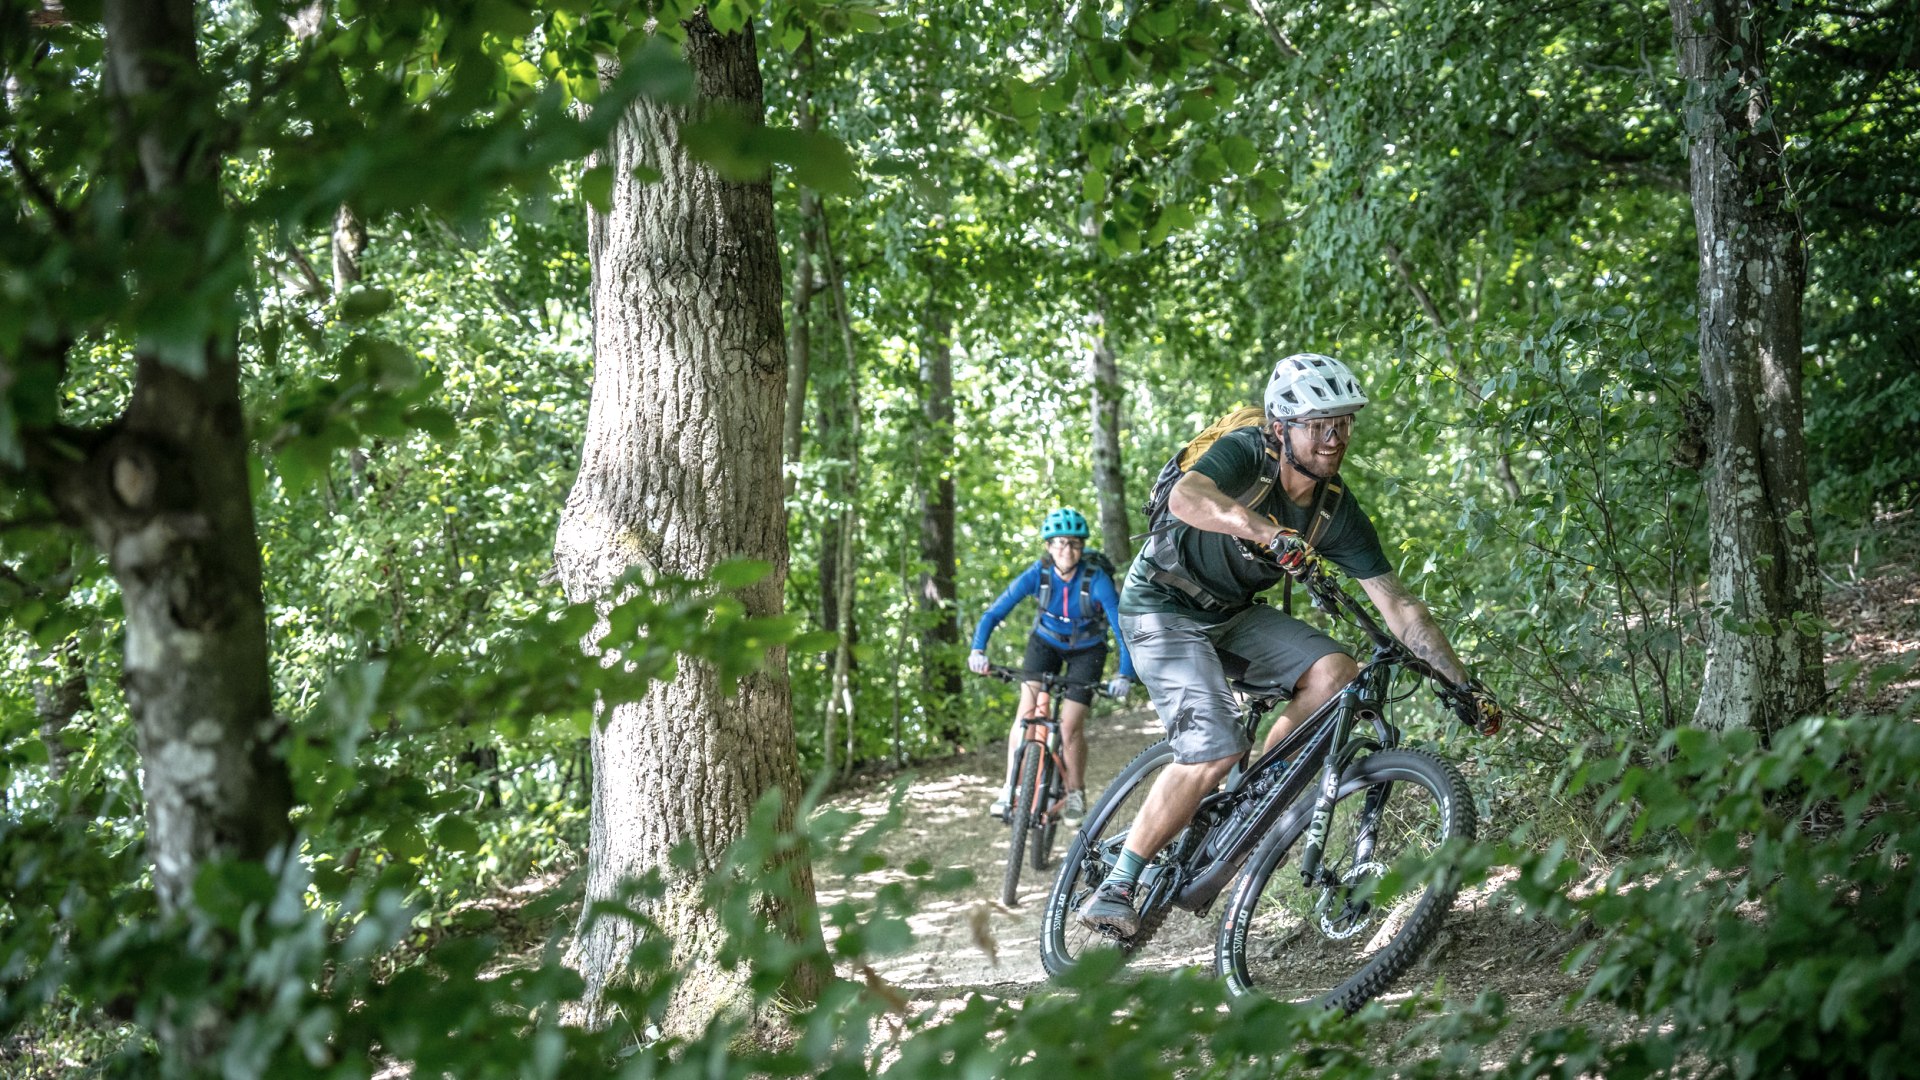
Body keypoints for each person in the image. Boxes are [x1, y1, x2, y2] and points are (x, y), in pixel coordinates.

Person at [1078, 352, 1503, 935]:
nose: (1334, 437)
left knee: (1337, 674)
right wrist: (1265, 531)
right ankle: (1119, 881)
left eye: (1344, 423)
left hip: (1231, 615)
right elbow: (1186, 498)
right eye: (1318, 424)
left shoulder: (1334, 510)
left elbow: (1400, 608)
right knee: (1213, 744)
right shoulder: (1247, 453)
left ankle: (1256, 792)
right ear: (1281, 428)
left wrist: (1464, 687)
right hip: (1162, 606)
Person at [969, 507, 1135, 822]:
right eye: (1059, 543)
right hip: (1045, 644)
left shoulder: (1096, 580)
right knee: (1027, 716)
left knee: (1070, 727)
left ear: (1082, 547)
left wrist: (1124, 673)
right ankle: (1010, 789)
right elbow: (994, 613)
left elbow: (1120, 628)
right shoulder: (1038, 575)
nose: (1066, 550)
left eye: (1074, 543)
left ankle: (1075, 792)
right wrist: (978, 650)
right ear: (1048, 546)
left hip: (1087, 650)